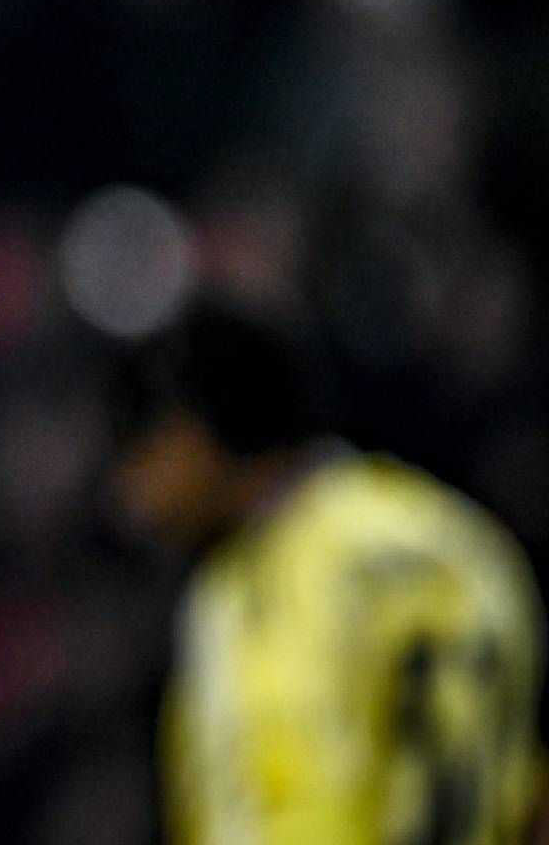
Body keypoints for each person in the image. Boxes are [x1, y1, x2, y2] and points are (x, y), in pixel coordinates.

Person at [113, 298, 544, 844]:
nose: (130, 497)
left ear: (198, 430)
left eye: (142, 454)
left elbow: (299, 797)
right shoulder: (448, 535)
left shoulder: (293, 572)